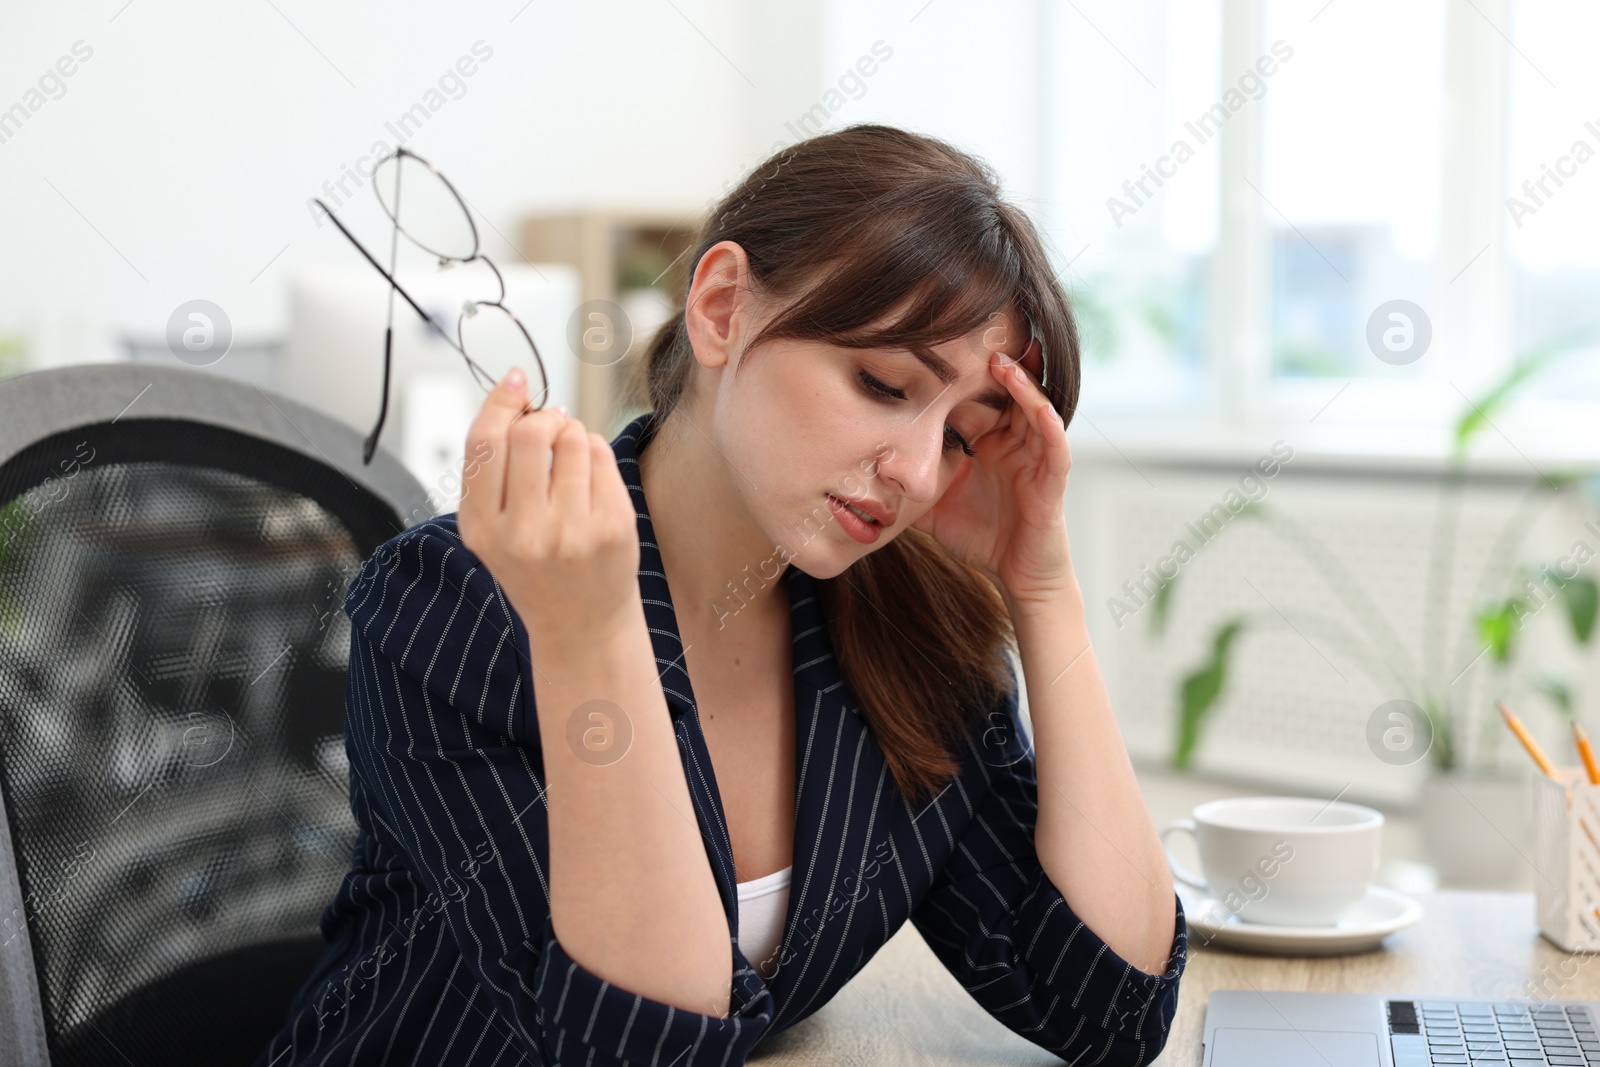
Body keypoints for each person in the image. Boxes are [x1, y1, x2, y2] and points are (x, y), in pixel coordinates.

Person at [257, 122, 1186, 1067]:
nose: (912, 470)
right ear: (722, 306)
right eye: (882, 382)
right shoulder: (458, 603)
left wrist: (1043, 586)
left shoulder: (919, 631)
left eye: (959, 437)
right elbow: (644, 1049)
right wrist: (595, 634)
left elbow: (1109, 1012)